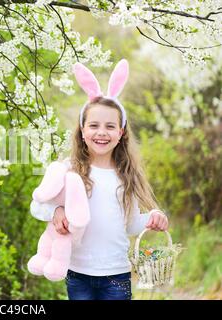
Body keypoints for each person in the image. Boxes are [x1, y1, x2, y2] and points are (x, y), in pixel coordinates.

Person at [30, 60, 168, 300]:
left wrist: (152, 218)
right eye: (94, 125)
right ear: (83, 130)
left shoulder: (126, 175)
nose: (101, 132)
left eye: (110, 126)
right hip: (78, 272)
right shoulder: (68, 169)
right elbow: (37, 204)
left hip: (117, 274)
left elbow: (132, 223)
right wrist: (56, 211)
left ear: (121, 133)